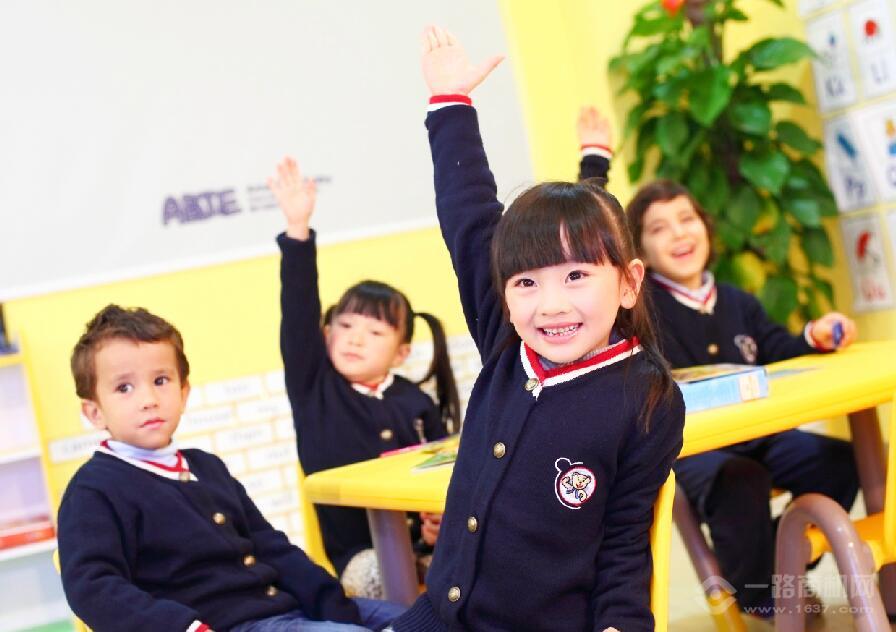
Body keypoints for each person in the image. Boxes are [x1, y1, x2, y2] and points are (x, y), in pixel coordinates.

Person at [390, 27, 685, 632]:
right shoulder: (507, 343)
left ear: (628, 283)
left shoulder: (647, 398)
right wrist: (450, 104)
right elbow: (469, 217)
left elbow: (624, 544)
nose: (550, 305)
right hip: (439, 618)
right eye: (526, 282)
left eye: (576, 276)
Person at [57, 305, 403, 632]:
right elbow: (92, 586)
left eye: (161, 380)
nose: (148, 400)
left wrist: (332, 602)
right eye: (124, 388)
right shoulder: (94, 490)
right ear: (94, 412)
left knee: (421, 619)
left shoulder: (206, 466)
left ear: (183, 391)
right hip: (230, 626)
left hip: (289, 609)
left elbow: (270, 546)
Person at [267, 158, 460, 598]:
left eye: (374, 332)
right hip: (360, 554)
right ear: (325, 333)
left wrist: (438, 522)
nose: (355, 338)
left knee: (477, 563)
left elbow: (445, 474)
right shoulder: (315, 388)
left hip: (428, 546)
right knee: (383, 580)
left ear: (401, 352)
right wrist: (298, 231)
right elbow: (297, 309)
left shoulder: (415, 402)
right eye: (346, 325)